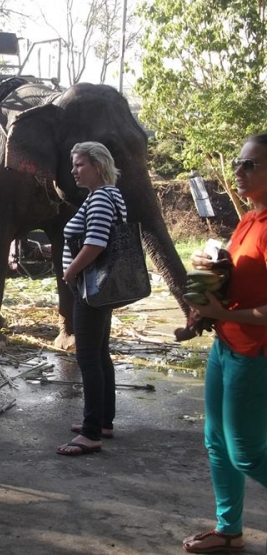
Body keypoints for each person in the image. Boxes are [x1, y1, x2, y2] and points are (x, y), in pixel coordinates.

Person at [181, 134, 267, 554]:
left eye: (250, 165)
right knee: (216, 441)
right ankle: (228, 527)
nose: (239, 171)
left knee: (247, 452)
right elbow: (240, 285)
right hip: (225, 347)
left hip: (256, 353)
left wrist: (223, 313)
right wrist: (211, 279)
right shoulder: (250, 218)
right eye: (239, 162)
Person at [58, 141, 127, 456]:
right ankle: (102, 422)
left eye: (80, 164)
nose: (74, 170)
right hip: (99, 287)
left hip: (90, 289)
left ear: (98, 165)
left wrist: (71, 271)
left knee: (88, 358)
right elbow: (96, 238)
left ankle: (90, 434)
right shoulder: (110, 195)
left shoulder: (100, 197)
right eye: (73, 165)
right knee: (100, 355)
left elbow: (97, 243)